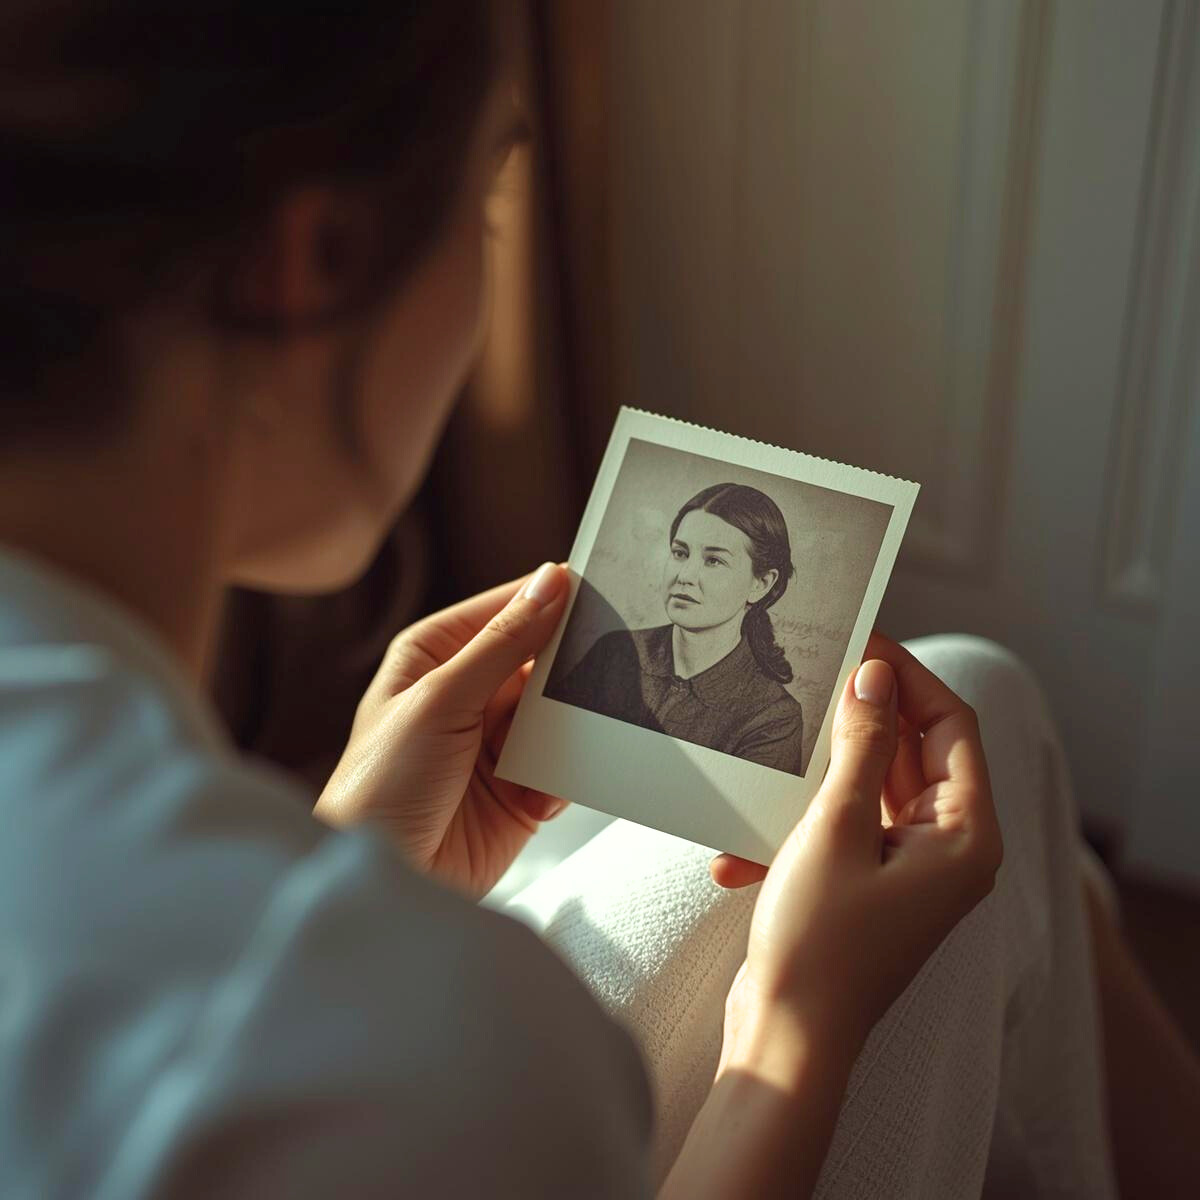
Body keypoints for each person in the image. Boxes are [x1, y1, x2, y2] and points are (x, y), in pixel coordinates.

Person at [4, 2, 1193, 1197]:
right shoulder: (448, 1061)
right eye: (485, 206)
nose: (682, 574)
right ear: (310, 264)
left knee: (1000, 745)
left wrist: (346, 852)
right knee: (993, 725)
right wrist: (797, 1032)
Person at [547, 482, 806, 775]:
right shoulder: (614, 651)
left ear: (761, 584)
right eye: (680, 553)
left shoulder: (772, 719)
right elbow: (547, 754)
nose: (685, 576)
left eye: (714, 560)